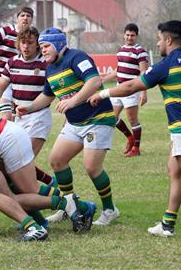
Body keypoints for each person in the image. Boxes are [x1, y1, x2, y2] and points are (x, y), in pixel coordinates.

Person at [88, 20, 181, 240]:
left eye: (160, 39)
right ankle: (167, 224)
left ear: (169, 40)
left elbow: (132, 86)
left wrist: (103, 94)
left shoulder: (167, 64)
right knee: (174, 170)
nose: (158, 43)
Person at [16, 28, 121, 226]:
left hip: (97, 119)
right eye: (41, 47)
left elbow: (94, 81)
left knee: (91, 167)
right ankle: (68, 205)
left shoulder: (76, 57)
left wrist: (72, 101)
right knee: (57, 160)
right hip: (75, 123)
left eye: (46, 46)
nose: (43, 50)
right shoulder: (50, 68)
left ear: (59, 45)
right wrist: (28, 108)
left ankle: (110, 209)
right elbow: (47, 96)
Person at [0, 116, 96, 232]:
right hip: (5, 137)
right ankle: (43, 220)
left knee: (26, 191)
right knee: (13, 188)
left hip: (7, 137)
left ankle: (74, 205)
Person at [0, 26, 55, 187]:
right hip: (19, 118)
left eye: (30, 43)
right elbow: (2, 83)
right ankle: (49, 182)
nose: (26, 46)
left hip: (39, 117)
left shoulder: (46, 64)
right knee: (15, 160)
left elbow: (51, 95)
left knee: (23, 160)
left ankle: (41, 190)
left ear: (37, 45)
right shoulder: (12, 63)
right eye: (23, 42)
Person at [100, 23, 149, 157]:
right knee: (112, 117)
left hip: (131, 89)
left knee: (132, 119)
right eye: (127, 35)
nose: (129, 37)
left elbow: (144, 74)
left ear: (137, 36)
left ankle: (136, 149)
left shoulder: (140, 51)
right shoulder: (121, 49)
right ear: (124, 35)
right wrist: (103, 78)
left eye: (132, 35)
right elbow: (118, 70)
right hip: (118, 88)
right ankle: (130, 138)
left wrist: (144, 92)